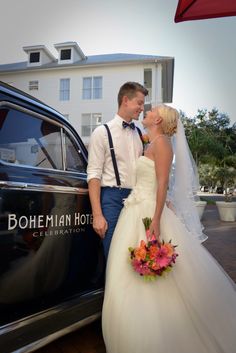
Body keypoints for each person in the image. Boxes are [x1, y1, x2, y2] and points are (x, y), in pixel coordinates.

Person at [102, 104, 236, 353]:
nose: (148, 111)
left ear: (159, 120)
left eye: (153, 111)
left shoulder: (163, 144)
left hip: (148, 211)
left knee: (154, 273)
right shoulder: (151, 143)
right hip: (134, 208)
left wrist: (155, 219)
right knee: (126, 272)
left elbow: (162, 183)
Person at [87, 81, 149, 260]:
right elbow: (94, 175)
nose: (142, 108)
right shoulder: (102, 132)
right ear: (125, 100)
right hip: (112, 200)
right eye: (139, 103)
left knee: (137, 257)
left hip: (137, 200)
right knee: (115, 256)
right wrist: (97, 215)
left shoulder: (139, 134)